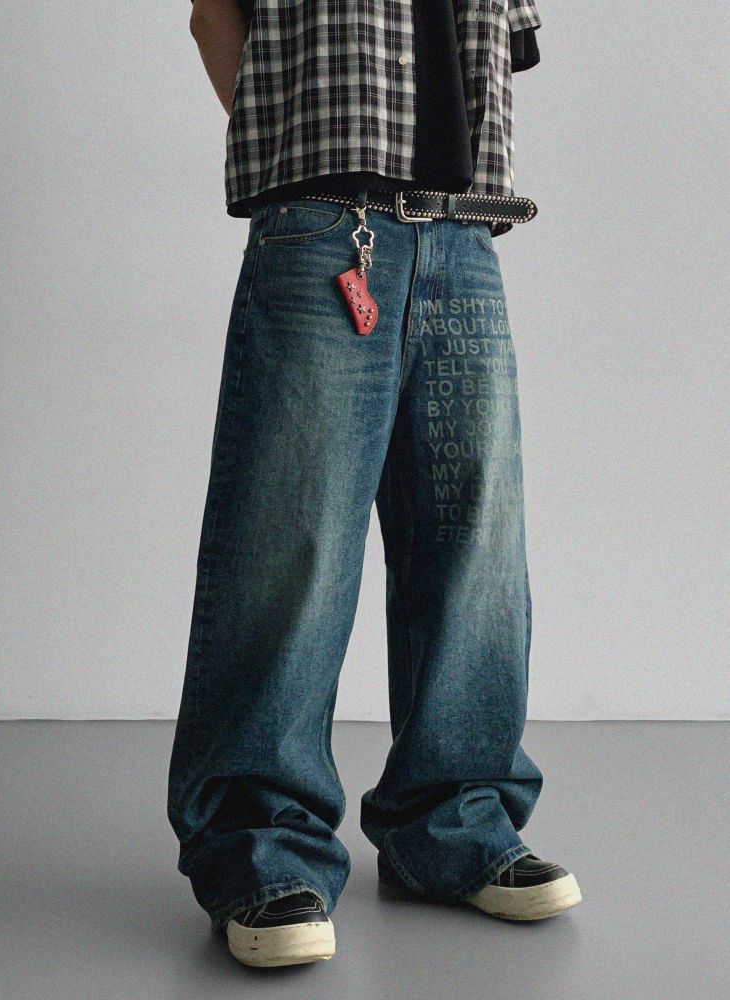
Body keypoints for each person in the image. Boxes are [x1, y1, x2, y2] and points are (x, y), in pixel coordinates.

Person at [168, 0, 581, 969]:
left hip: (464, 236)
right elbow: (212, 15)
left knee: (474, 549)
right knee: (292, 542)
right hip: (324, 224)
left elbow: (497, 55)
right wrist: (294, 150)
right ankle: (259, 848)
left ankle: (454, 823)